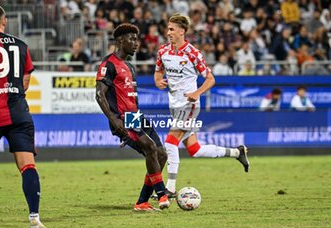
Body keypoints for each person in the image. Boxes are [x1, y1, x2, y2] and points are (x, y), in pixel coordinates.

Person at [154, 13, 250, 196]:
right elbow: (157, 73)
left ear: (182, 31)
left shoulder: (193, 53)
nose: (168, 32)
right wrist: (158, 81)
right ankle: (237, 153)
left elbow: (210, 79)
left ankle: (170, 189)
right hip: (174, 106)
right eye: (167, 29)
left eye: (172, 29)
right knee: (194, 150)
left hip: (189, 106)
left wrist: (196, 93)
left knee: (170, 142)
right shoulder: (163, 52)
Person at [0, 4, 47, 228]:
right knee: (27, 165)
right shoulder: (21, 45)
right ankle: (35, 218)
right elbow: (26, 82)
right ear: (5, 21)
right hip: (19, 112)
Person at [95, 23, 170, 211]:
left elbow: (131, 100)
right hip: (122, 118)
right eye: (132, 39)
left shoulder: (129, 66)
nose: (136, 43)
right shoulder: (108, 64)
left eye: (137, 39)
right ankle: (161, 194)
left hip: (135, 116)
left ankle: (142, 202)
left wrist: (127, 134)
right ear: (120, 41)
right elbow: (99, 95)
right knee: (150, 148)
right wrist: (116, 123)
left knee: (161, 154)